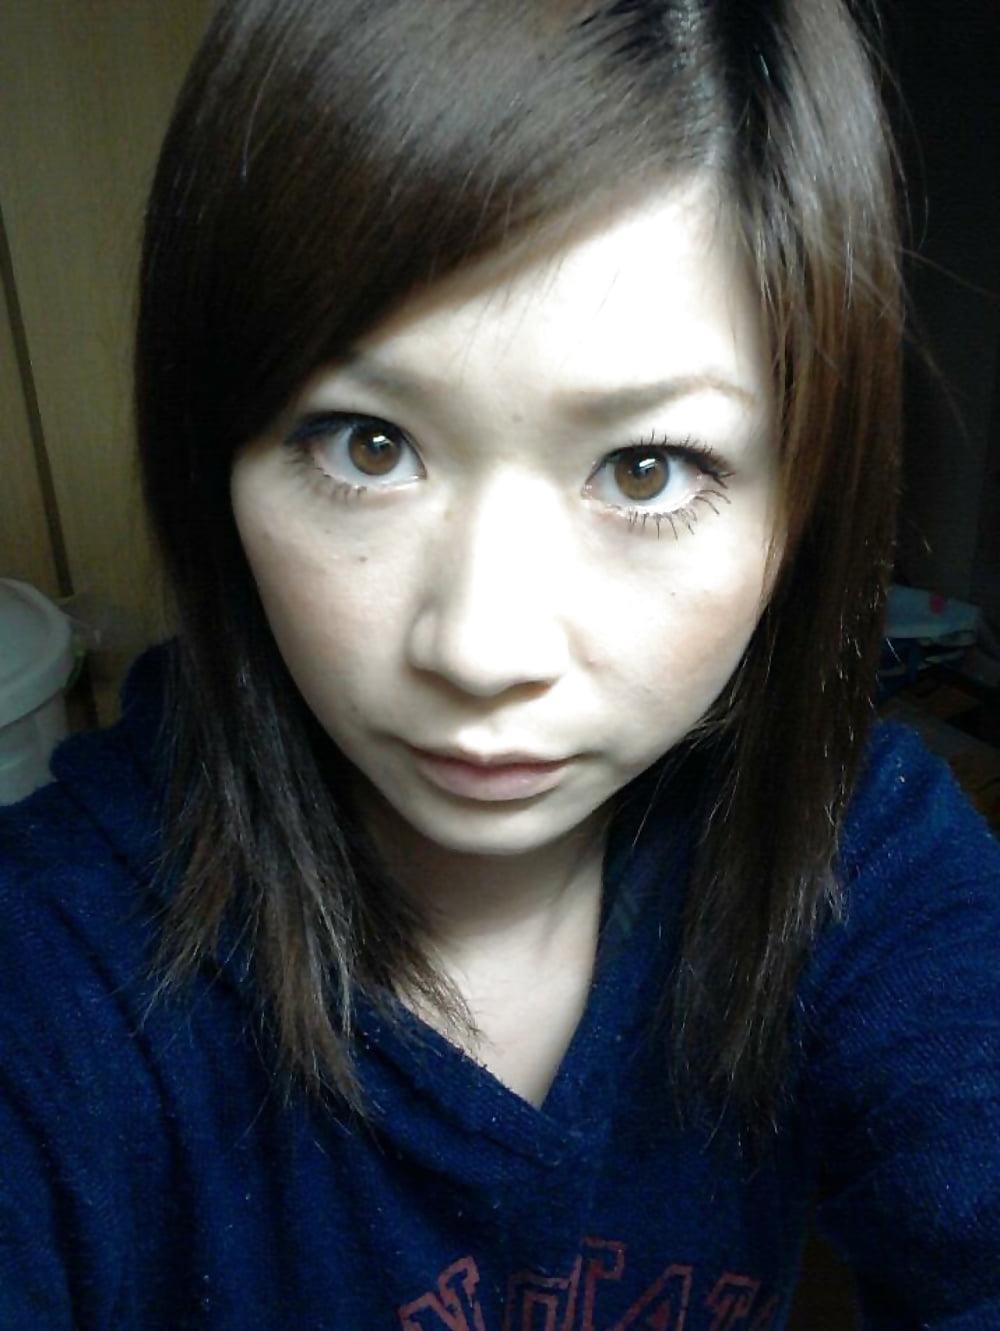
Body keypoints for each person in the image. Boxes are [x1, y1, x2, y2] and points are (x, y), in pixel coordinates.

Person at [2, 0, 998, 1326]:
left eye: (645, 469)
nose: (482, 650)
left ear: (805, 500)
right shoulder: (51, 981)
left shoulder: (858, 858)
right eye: (366, 445)